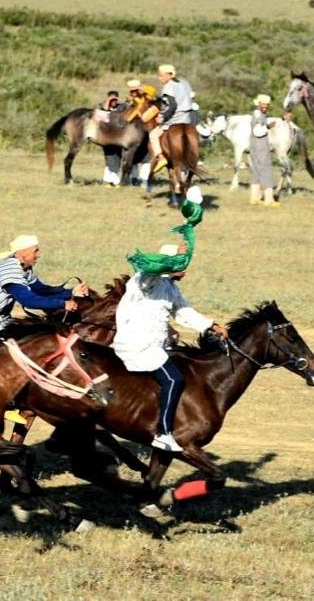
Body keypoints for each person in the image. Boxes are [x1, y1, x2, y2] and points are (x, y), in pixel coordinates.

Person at [112, 187, 228, 453]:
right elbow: (152, 270)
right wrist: (176, 255)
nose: (185, 266)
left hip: (156, 345)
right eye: (181, 262)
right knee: (174, 380)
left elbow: (184, 312)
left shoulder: (171, 288)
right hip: (138, 345)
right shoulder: (147, 280)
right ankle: (163, 433)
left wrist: (211, 325)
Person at [0, 235, 89, 340]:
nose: (39, 255)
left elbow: (41, 290)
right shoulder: (9, 270)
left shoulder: (24, 268)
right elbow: (28, 300)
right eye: (35, 251)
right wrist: (63, 303)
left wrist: (72, 292)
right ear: (22, 253)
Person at [148, 64, 195, 175]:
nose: (159, 78)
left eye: (161, 75)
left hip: (174, 118)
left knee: (153, 135)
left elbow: (172, 106)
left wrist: (163, 117)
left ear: (169, 75)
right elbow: (192, 96)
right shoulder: (184, 82)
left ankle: (161, 158)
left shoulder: (168, 87)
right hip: (188, 117)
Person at [248, 94, 279, 207]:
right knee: (266, 170)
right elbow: (257, 132)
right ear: (259, 104)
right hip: (261, 146)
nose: (266, 106)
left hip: (254, 146)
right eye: (264, 104)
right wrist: (268, 127)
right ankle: (269, 199)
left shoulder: (257, 114)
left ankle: (254, 197)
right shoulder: (259, 116)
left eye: (267, 105)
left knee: (256, 171)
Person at [100, 90, 123, 186]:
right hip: (107, 137)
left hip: (119, 137)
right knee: (109, 157)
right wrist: (108, 102)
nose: (113, 101)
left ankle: (113, 179)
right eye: (111, 99)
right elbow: (101, 116)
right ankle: (112, 180)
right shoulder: (103, 106)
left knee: (118, 157)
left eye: (115, 99)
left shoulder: (121, 107)